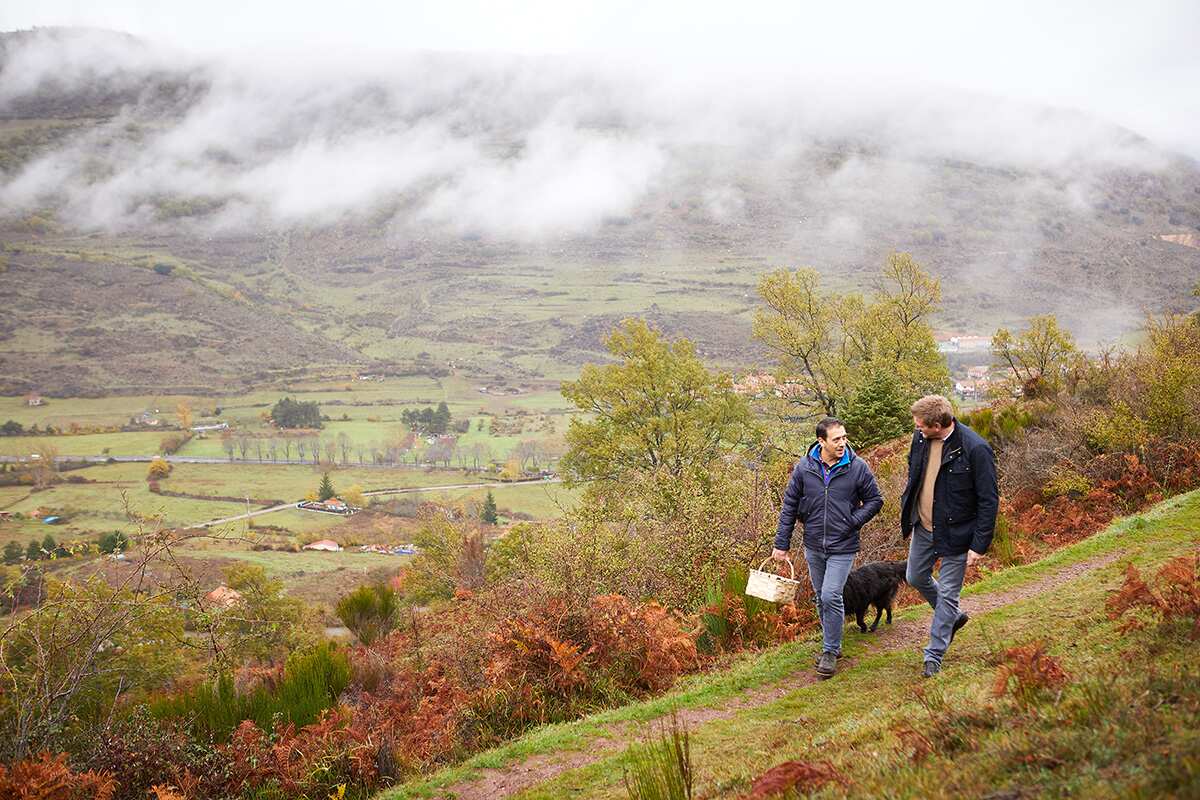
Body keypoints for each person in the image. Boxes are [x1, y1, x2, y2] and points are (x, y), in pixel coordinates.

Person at [772, 417, 884, 679]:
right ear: (821, 441)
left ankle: (830, 650)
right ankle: (832, 642)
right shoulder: (804, 468)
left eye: (844, 437)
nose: (842, 443)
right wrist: (781, 544)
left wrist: (853, 521)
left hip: (843, 546)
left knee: (832, 594)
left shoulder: (857, 468)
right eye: (836, 439)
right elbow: (789, 506)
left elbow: (875, 500)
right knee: (822, 597)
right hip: (813, 545)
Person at [900, 395, 999, 677]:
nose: (917, 428)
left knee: (948, 594)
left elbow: (989, 500)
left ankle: (934, 654)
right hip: (924, 526)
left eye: (921, 425)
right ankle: (952, 618)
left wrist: (979, 544)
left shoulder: (976, 449)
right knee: (915, 577)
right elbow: (915, 476)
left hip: (958, 532)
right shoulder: (919, 439)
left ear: (938, 424)